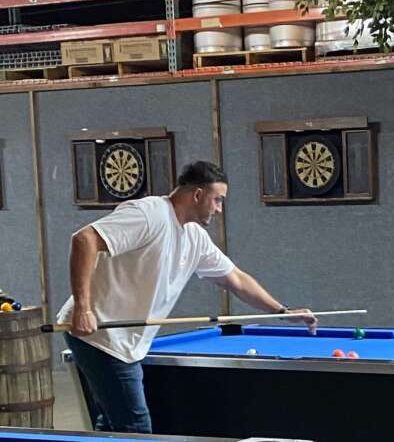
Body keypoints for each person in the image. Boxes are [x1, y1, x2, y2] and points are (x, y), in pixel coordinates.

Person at [57, 160, 316, 434]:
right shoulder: (150, 214)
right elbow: (84, 239)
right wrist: (83, 308)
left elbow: (236, 279)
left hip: (123, 340)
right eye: (218, 200)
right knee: (135, 426)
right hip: (99, 335)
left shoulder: (195, 237)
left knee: (113, 423)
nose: (219, 208)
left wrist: (282, 311)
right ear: (197, 195)